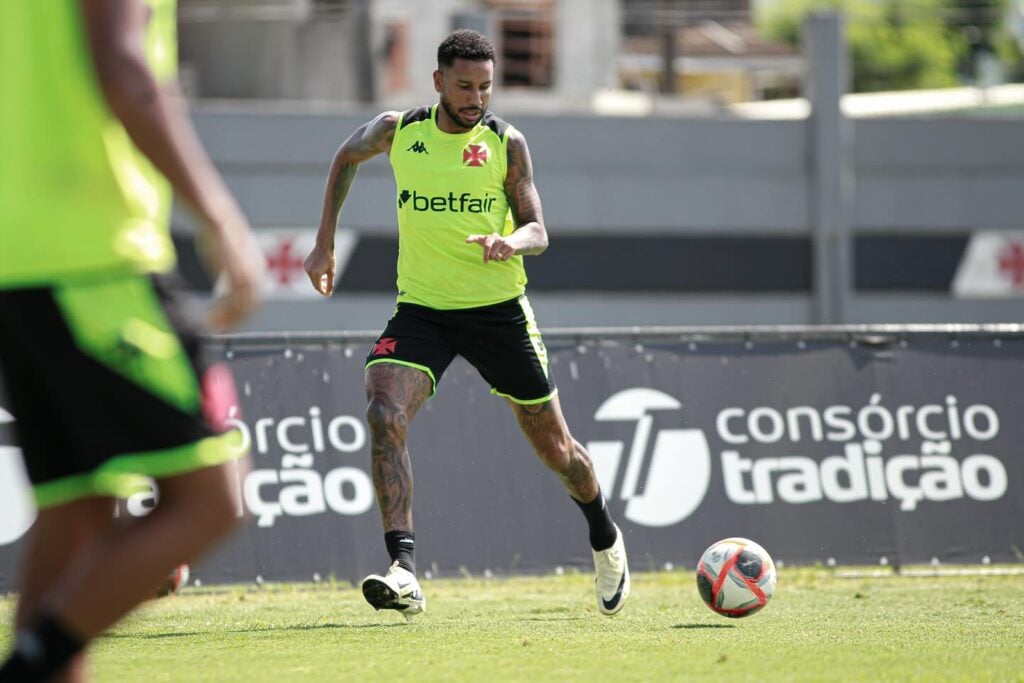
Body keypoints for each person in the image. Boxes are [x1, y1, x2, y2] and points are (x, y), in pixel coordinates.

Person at [304, 29, 630, 621]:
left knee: (557, 450)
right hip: (423, 310)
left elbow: (539, 229)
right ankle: (403, 570)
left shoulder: (508, 144)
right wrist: (324, 242)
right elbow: (344, 157)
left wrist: (511, 241)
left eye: (485, 85)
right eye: (464, 86)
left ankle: (604, 535)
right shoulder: (397, 131)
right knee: (383, 410)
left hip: (498, 313)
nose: (477, 97)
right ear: (437, 83)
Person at [0, 0, 263, 680]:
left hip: (22, 262)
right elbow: (124, 67)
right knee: (213, 495)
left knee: (76, 517)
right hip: (96, 260)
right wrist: (220, 215)